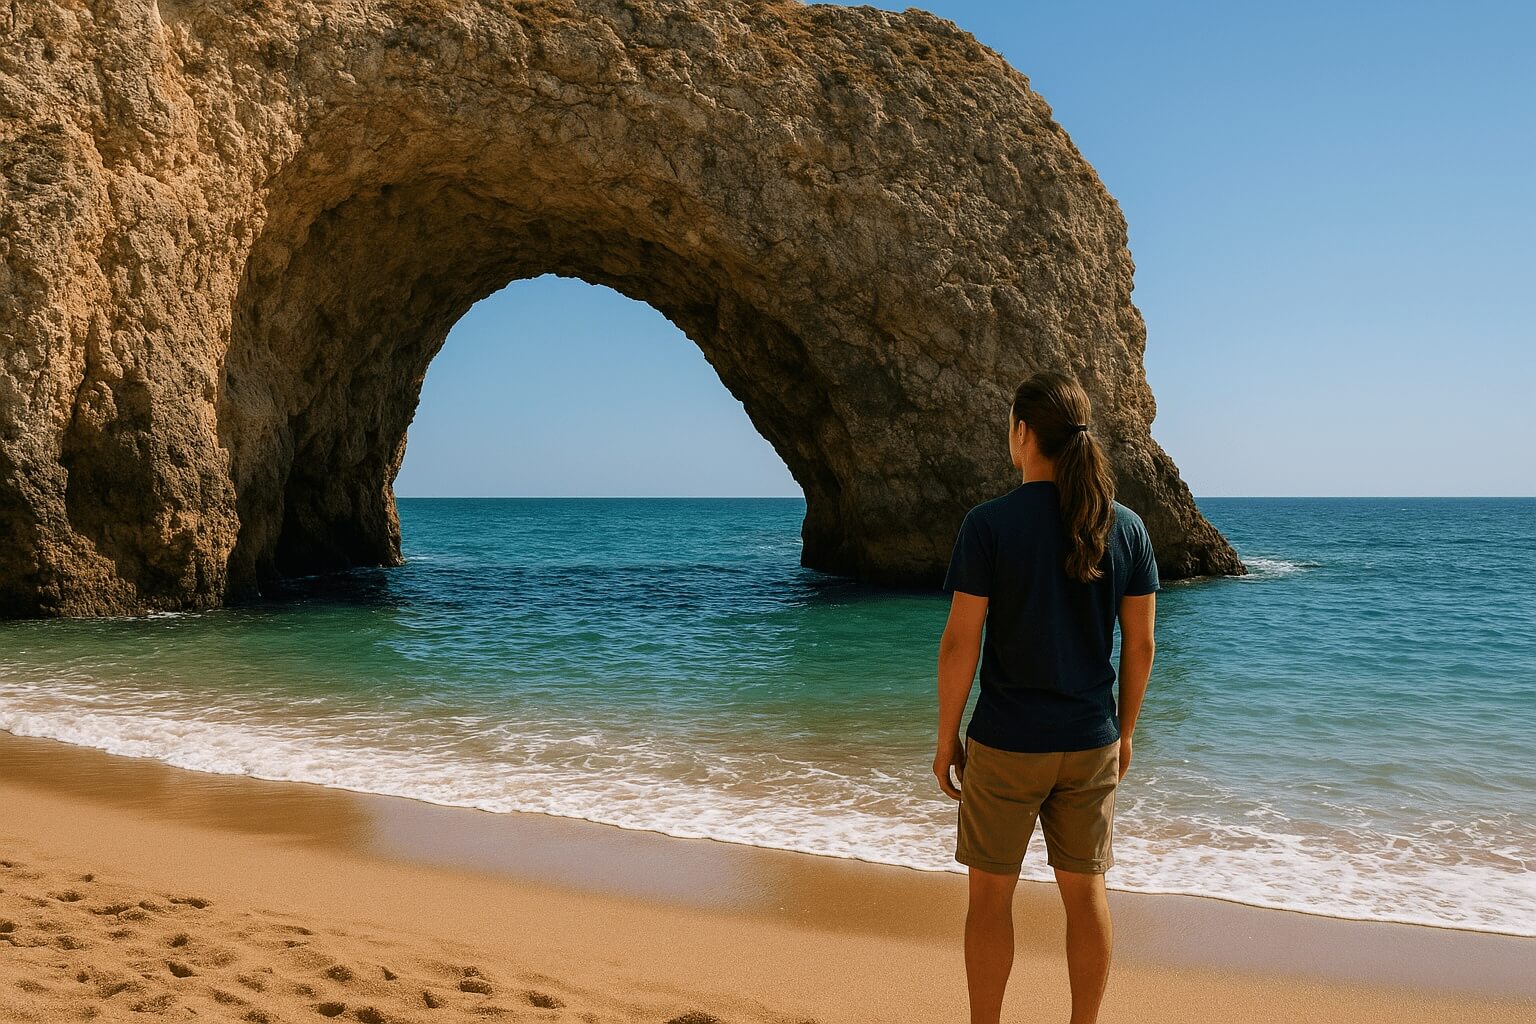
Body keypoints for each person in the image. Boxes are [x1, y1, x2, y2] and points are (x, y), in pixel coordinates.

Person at [934, 369, 1159, 1024]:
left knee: (989, 903)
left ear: (1023, 432)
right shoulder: (1128, 530)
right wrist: (1124, 733)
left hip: (1005, 742)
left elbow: (959, 644)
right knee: (1086, 898)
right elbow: (1140, 647)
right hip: (1089, 742)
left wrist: (946, 737)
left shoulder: (988, 525)